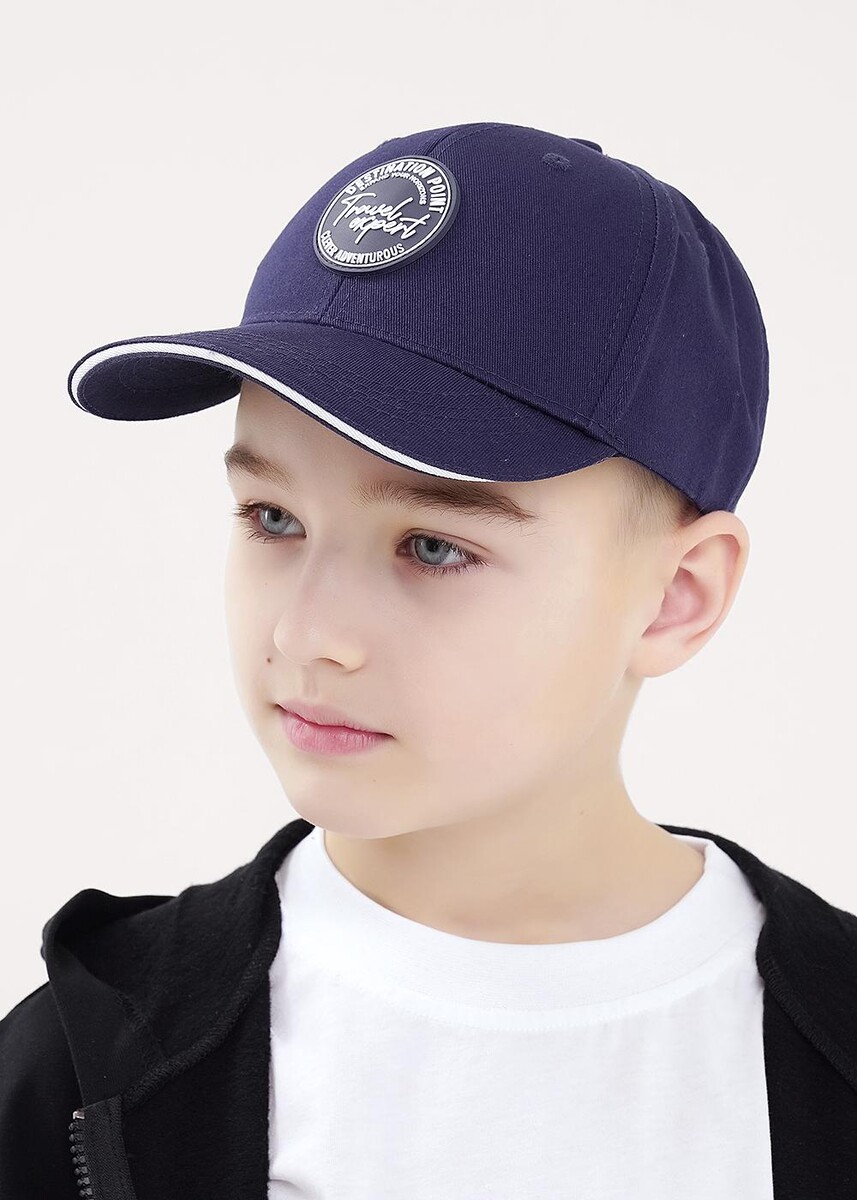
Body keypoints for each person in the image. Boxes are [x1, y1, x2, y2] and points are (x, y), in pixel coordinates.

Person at [2, 121, 855, 1200]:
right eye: (271, 517)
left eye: (433, 546)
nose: (307, 634)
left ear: (676, 596)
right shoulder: (80, 1067)